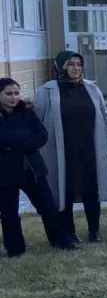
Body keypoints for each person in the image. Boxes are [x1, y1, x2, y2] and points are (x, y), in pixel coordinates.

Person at [34, 51, 107, 244]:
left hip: (89, 149)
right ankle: (69, 232)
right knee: (65, 190)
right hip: (62, 150)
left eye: (79, 64)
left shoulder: (92, 89)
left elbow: (103, 116)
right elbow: (38, 121)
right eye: (71, 64)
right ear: (60, 66)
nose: (76, 68)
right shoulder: (47, 91)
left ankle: (94, 231)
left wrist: (104, 140)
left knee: (91, 190)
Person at [0, 78, 72, 256]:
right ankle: (15, 249)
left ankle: (60, 241)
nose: (13, 97)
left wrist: (15, 142)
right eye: (8, 94)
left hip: (31, 168)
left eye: (16, 93)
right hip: (5, 171)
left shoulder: (26, 112)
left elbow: (41, 135)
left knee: (48, 206)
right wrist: (20, 139)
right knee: (9, 212)